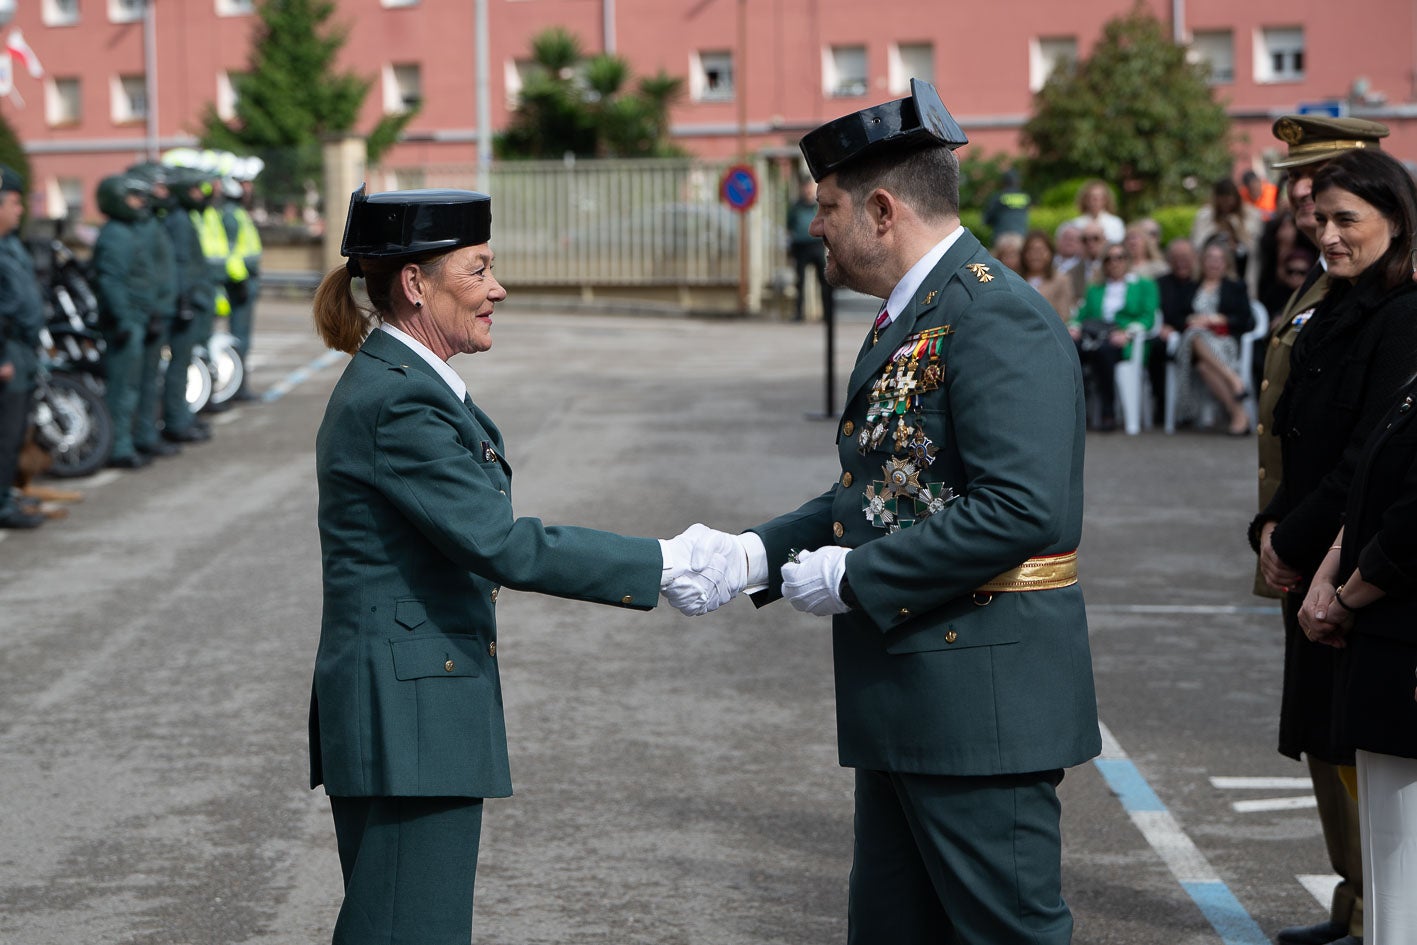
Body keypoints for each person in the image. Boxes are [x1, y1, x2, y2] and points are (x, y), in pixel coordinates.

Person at [677, 80, 1099, 944]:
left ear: (879, 209)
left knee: (1005, 932)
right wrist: (755, 554)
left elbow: (1021, 509)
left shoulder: (992, 318)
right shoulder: (911, 314)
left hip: (979, 703)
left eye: (826, 207)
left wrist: (860, 573)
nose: (815, 226)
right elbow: (879, 489)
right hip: (909, 693)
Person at [308, 185, 736, 944]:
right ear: (415, 284)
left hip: (408, 704)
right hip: (409, 713)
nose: (496, 289)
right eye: (477, 271)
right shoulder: (399, 400)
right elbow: (500, 542)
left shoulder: (407, 384)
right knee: (409, 928)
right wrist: (665, 561)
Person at [1248, 126, 1400, 945]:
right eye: (1307, 195)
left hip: (1345, 554)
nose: (1312, 213)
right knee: (1321, 735)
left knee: (1356, 745)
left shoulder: (1390, 300)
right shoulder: (1329, 282)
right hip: (1300, 542)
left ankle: (1377, 909)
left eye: (1327, 194)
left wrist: (1300, 538)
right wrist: (1269, 529)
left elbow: (1366, 447)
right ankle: (1358, 902)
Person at [1293, 147, 1417, 945]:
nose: (1327, 234)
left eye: (1346, 218)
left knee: (1402, 869)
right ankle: (1359, 906)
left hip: (1393, 612)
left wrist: (1345, 581)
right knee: (1382, 842)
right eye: (1320, 218)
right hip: (1348, 578)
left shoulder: (1401, 314)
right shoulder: (1334, 302)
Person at [92, 173, 158, 469]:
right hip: (126, 323)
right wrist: (122, 321)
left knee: (133, 386)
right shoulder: (115, 235)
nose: (139, 202)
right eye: (132, 197)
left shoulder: (126, 231)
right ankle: (118, 447)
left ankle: (126, 441)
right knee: (123, 389)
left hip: (136, 319)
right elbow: (111, 283)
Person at [1070, 241, 1158, 432]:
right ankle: (1077, 411)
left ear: (1128, 260)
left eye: (1120, 257)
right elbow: (1081, 315)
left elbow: (1148, 317)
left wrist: (1128, 332)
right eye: (1109, 259)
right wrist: (1075, 327)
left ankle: (1108, 412)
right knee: (1071, 349)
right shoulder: (1095, 289)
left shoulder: (1144, 285)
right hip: (1094, 337)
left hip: (1124, 341)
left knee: (1105, 351)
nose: (1114, 263)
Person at [1170, 239, 1254, 435]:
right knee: (1195, 335)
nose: (1214, 263)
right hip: (1193, 344)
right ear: (1202, 261)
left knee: (1203, 365)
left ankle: (1238, 414)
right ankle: (1235, 386)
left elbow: (1246, 320)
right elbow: (1176, 317)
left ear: (1226, 263)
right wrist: (1193, 319)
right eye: (1210, 258)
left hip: (1224, 342)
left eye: (1219, 259)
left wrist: (1219, 319)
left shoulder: (1235, 287)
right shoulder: (1191, 286)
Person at [0, 165, 45, 529]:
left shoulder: (11, 244)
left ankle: (7, 494)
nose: (20, 210)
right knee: (5, 432)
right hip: (7, 349)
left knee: (15, 431)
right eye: (14, 203)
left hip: (22, 347)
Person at [161, 168, 217, 444]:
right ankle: (176, 421)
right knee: (179, 365)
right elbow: (182, 263)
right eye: (195, 189)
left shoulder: (184, 217)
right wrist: (184, 301)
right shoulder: (179, 221)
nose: (200, 195)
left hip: (194, 299)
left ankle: (182, 415)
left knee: (184, 364)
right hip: (187, 302)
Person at [221, 173, 263, 398]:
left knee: (242, 337)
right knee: (239, 337)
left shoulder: (236, 213)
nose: (249, 188)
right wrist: (240, 280)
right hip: (240, 282)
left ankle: (239, 386)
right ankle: (237, 387)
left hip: (246, 280)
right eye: (245, 183)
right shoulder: (230, 215)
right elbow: (232, 254)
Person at [1191, 177, 1263, 295]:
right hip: (1211, 274)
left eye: (1230, 201)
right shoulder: (1204, 217)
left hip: (1241, 273)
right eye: (1222, 201)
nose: (1226, 205)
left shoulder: (1251, 216)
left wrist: (1237, 236)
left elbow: (1253, 248)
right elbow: (1197, 245)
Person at [785, 176, 834, 322]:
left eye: (809, 187)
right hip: (800, 248)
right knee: (800, 282)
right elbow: (789, 226)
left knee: (824, 281)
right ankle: (799, 314)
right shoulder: (796, 207)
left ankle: (827, 314)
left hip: (816, 246)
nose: (807, 190)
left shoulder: (817, 206)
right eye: (805, 187)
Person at [1019, 228, 1074, 320]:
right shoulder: (1016, 279)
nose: (1036, 255)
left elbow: (1064, 315)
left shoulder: (1061, 280)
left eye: (1041, 250)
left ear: (1050, 253)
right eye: (1031, 250)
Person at [1068, 178, 1125, 244]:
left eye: (1099, 198)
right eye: (1092, 198)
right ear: (1085, 200)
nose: (1095, 201)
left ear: (1106, 200)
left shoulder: (1115, 223)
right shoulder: (1076, 224)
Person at [982, 168, 1031, 238]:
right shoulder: (1025, 197)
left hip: (1002, 237)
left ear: (1003, 182)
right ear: (1018, 182)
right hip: (1021, 237)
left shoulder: (998, 197)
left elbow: (987, 219)